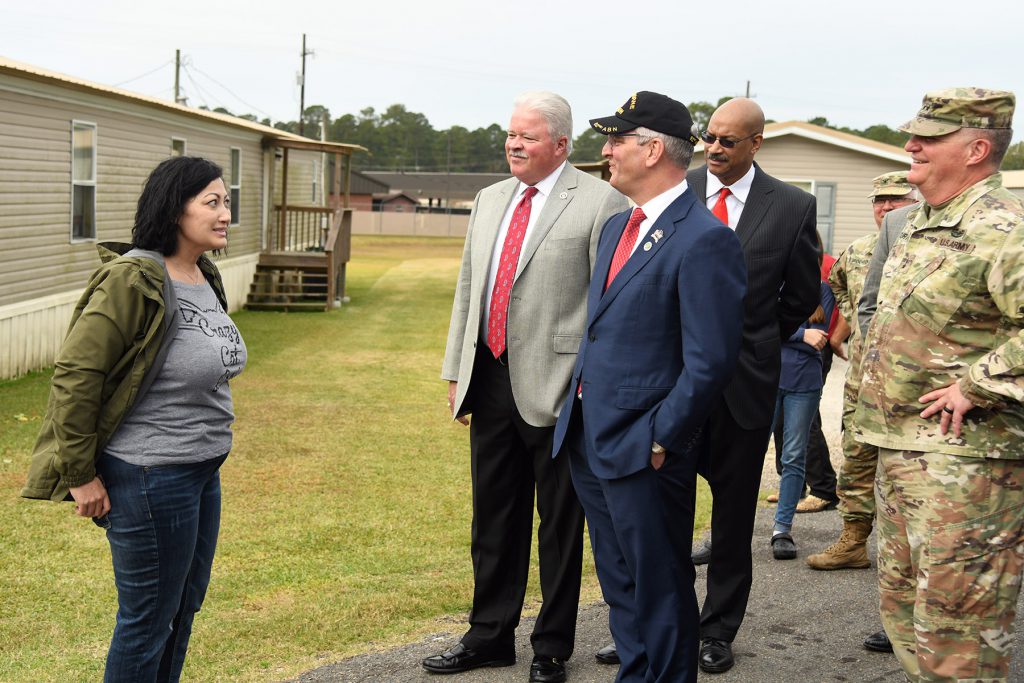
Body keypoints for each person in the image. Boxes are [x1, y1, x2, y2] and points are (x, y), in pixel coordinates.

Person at [427, 91, 627, 683]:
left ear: (561, 145)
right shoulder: (490, 200)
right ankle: (488, 636)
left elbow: (607, 306)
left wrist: (589, 389)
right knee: (493, 519)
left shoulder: (601, 201)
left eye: (528, 136)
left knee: (560, 525)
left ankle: (551, 648)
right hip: (488, 377)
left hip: (560, 389)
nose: (514, 144)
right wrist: (457, 371)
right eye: (511, 134)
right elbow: (470, 287)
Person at [21, 155, 246, 682]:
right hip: (150, 476)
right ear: (174, 210)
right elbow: (77, 375)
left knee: (182, 610)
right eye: (211, 202)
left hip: (198, 470)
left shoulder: (200, 275)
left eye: (226, 202)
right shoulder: (131, 280)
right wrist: (80, 475)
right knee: (147, 623)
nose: (224, 214)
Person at [553, 90, 746, 683]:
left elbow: (710, 359)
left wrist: (662, 436)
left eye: (616, 140)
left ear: (654, 148)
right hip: (590, 435)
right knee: (620, 581)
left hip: (644, 446)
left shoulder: (703, 237)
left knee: (658, 583)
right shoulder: (617, 227)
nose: (606, 152)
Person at [855, 87, 1024, 681]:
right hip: (904, 453)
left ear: (977, 148)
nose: (911, 145)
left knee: (960, 636)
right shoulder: (921, 222)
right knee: (908, 617)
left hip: (969, 469)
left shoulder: (1003, 227)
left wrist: (976, 385)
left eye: (929, 137)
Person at [685, 97, 820, 674]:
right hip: (672, 386)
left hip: (745, 385)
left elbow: (800, 295)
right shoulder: (680, 190)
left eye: (728, 141)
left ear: (756, 143)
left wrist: (754, 341)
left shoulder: (792, 206)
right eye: (709, 138)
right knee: (662, 512)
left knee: (734, 517)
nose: (714, 149)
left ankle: (717, 630)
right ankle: (658, 622)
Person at [808, 172, 918, 570]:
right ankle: (853, 541)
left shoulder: (929, 248)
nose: (885, 207)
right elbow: (842, 290)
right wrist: (843, 329)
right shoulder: (857, 252)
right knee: (856, 460)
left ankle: (908, 560)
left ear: (915, 201)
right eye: (879, 201)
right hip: (862, 382)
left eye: (895, 200)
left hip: (916, 385)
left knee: (907, 473)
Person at [769, 269, 835, 559]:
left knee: (794, 455)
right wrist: (800, 334)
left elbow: (820, 336)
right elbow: (758, 326)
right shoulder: (769, 284)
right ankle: (731, 529)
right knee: (746, 455)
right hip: (766, 379)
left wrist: (787, 334)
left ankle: (782, 529)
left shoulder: (822, 290)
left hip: (804, 383)